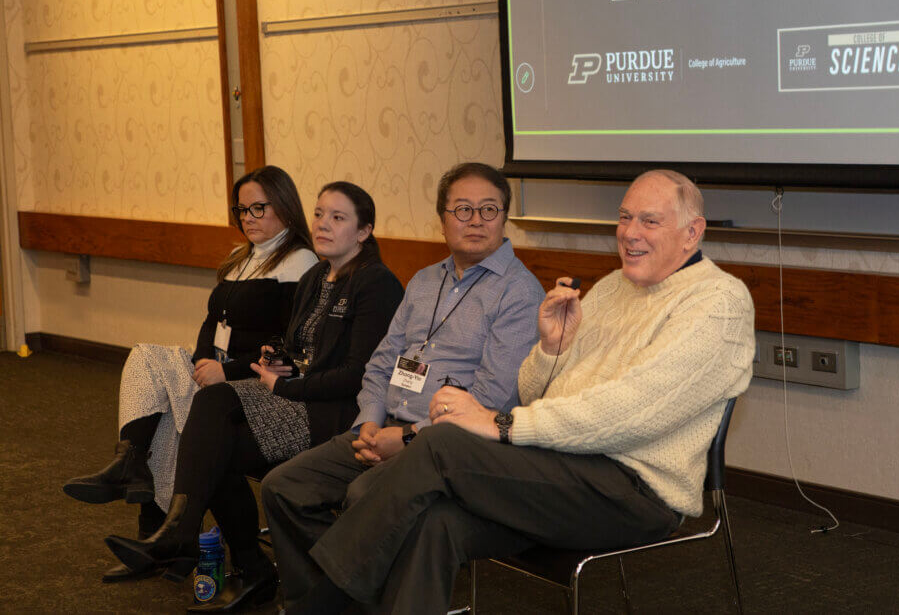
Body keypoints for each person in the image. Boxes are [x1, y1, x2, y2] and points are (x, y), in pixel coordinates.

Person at [274, 169, 757, 615]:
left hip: (633, 488)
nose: (630, 233)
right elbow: (537, 392)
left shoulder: (718, 303)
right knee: (435, 522)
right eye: (625, 217)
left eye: (649, 221)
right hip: (561, 463)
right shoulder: (614, 287)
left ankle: (319, 606)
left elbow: (627, 413)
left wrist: (500, 424)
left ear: (692, 232)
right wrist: (550, 351)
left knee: (440, 445)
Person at [101, 181, 405, 611]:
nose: (323, 224)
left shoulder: (376, 283)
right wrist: (277, 359)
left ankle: (205, 543)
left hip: (336, 413)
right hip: (298, 396)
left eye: (338, 218)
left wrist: (287, 386)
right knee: (212, 425)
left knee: (214, 429)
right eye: (319, 214)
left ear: (364, 231)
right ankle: (226, 554)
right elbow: (301, 349)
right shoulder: (317, 276)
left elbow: (359, 375)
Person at [260, 162, 545, 609]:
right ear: (442, 220)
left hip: (447, 445)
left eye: (488, 209)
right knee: (282, 487)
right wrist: (369, 423)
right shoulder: (425, 280)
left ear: (504, 217)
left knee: (363, 496)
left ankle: (332, 601)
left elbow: (493, 399)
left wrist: (409, 437)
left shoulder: (520, 294)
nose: (475, 220)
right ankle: (329, 601)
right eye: (463, 209)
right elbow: (380, 362)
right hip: (384, 424)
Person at [62, 165, 318, 582]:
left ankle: (160, 534)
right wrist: (201, 361)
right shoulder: (242, 257)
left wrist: (227, 370)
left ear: (285, 207)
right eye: (242, 210)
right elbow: (211, 321)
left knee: (175, 418)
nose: (249, 218)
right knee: (146, 359)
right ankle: (130, 463)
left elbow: (288, 347)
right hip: (214, 370)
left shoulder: (300, 262)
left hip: (256, 381)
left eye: (258, 208)